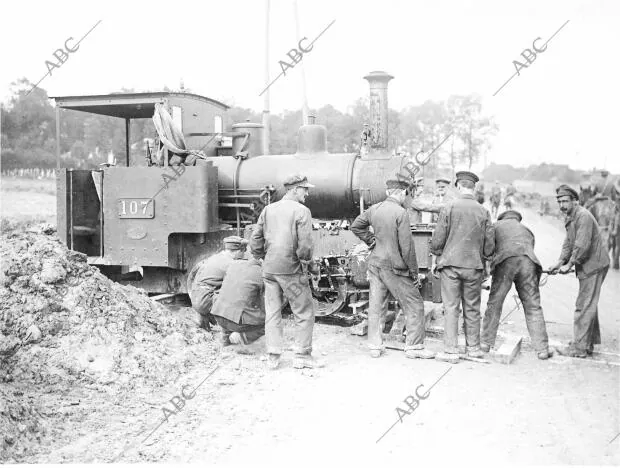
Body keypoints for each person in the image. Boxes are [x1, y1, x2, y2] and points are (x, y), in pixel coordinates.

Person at [351, 177, 434, 359]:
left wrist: (371, 241)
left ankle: (375, 346)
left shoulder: (374, 209)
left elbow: (356, 226)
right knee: (415, 304)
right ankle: (414, 347)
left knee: (377, 304)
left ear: (388, 192)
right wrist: (413, 272)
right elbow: (407, 247)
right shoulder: (401, 212)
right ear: (403, 193)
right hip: (394, 267)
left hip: (375, 264)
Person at [250, 174, 322, 370]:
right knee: (304, 311)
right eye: (304, 189)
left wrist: (262, 257)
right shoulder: (302, 211)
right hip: (291, 270)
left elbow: (255, 239)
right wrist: (307, 263)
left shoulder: (268, 209)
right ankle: (302, 356)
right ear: (294, 189)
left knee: (272, 311)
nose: (307, 193)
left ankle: (273, 355)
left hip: (270, 270)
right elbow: (305, 245)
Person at [431, 170, 495, 363]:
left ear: (458, 186)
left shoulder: (449, 207)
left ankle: (451, 350)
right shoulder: (483, 211)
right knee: (473, 308)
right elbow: (490, 243)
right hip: (474, 266)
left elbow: (438, 238)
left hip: (450, 265)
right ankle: (473, 349)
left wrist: (436, 255)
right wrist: (485, 261)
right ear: (473, 188)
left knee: (451, 307)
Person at [548, 185, 610, 358]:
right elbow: (568, 243)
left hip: (594, 265)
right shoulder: (570, 217)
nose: (562, 205)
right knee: (589, 303)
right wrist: (560, 261)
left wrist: (571, 264)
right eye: (559, 201)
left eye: (565, 201)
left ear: (575, 201)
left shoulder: (583, 216)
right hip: (588, 264)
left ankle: (579, 348)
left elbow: (582, 244)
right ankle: (587, 343)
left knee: (583, 305)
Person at [480, 210, 551, 359]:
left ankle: (486, 343)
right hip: (529, 263)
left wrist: (488, 267)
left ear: (502, 218)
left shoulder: (496, 226)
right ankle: (542, 349)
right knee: (533, 306)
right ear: (517, 220)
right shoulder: (526, 230)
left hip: (506, 262)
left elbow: (488, 248)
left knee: (495, 302)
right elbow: (529, 249)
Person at [189, 236, 248, 330]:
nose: (243, 255)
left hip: (196, 298)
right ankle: (231, 328)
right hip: (205, 301)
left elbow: (193, 276)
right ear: (238, 251)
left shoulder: (216, 257)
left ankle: (204, 316)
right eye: (243, 252)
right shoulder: (230, 263)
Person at [210, 256, 266, 348]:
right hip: (236, 322)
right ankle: (242, 337)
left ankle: (225, 338)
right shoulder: (261, 272)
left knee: (230, 303)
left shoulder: (234, 265)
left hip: (218, 314)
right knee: (270, 321)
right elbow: (264, 299)